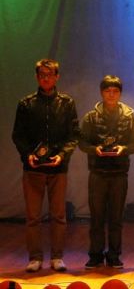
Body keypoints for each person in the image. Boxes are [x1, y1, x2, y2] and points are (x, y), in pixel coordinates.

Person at [12, 58, 79, 272]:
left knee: (59, 216)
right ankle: (35, 258)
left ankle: (57, 257)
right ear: (37, 77)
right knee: (33, 217)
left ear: (57, 77)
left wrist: (62, 155)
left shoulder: (67, 103)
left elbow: (73, 136)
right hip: (33, 169)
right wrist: (28, 155)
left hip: (58, 168)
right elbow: (18, 135)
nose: (46, 78)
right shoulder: (26, 103)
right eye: (42, 75)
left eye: (50, 75)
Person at [79, 75, 134, 269]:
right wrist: (94, 149)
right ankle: (96, 255)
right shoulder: (91, 117)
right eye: (108, 91)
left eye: (115, 91)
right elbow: (82, 142)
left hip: (119, 173)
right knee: (96, 218)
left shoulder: (129, 116)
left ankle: (114, 255)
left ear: (120, 93)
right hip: (97, 173)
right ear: (101, 92)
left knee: (116, 218)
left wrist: (124, 148)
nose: (111, 94)